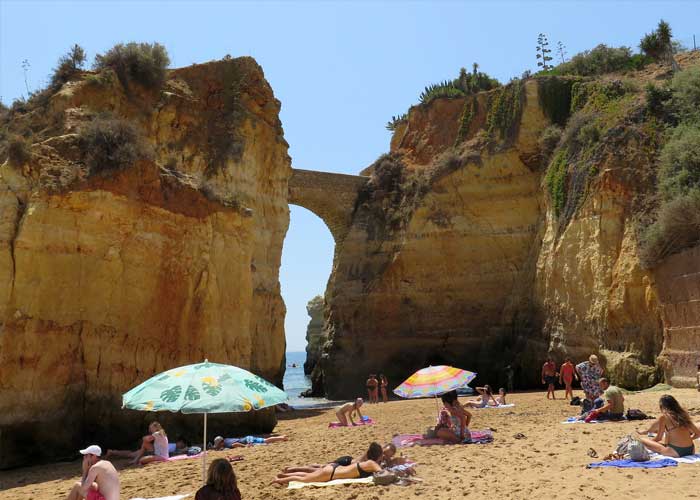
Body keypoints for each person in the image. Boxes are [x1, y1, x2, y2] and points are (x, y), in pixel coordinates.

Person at [273, 442, 383, 485]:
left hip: (334, 468)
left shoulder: (368, 461)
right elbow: (383, 473)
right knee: (304, 480)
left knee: (307, 475)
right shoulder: (371, 464)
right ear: (377, 457)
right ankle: (279, 480)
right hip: (330, 473)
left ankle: (285, 476)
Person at [212, 434, 288, 450]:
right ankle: (281, 437)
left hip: (248, 440)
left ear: (221, 442)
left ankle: (281, 438)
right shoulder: (226, 439)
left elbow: (236, 444)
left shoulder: (227, 444)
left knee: (266, 441)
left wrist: (245, 446)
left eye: (218, 445)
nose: (218, 446)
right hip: (247, 438)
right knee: (265, 440)